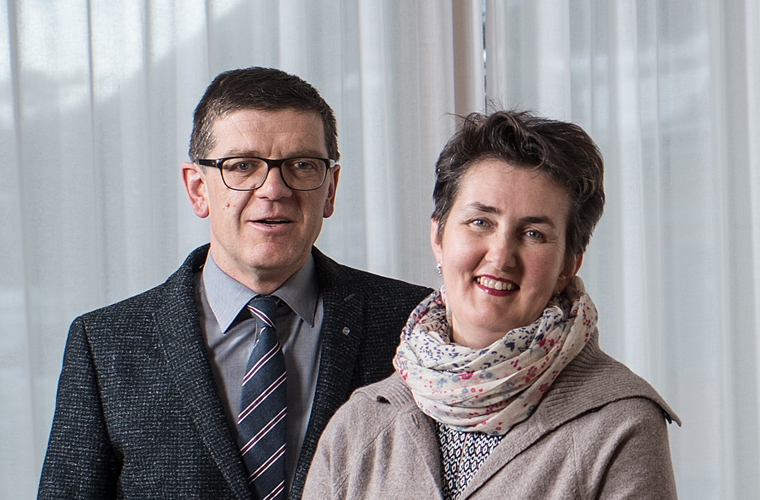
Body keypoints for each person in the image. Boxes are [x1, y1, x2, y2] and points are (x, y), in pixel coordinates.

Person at [37, 67, 431, 500]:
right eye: (243, 166)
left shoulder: (415, 323)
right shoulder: (105, 345)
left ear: (331, 189)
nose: (273, 190)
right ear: (197, 189)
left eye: (302, 165)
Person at [303, 110, 681, 499]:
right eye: (480, 222)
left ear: (569, 264)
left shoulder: (620, 423)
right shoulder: (359, 424)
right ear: (439, 236)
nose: (501, 257)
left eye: (533, 234)